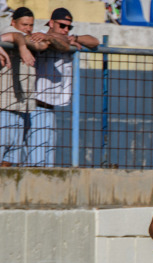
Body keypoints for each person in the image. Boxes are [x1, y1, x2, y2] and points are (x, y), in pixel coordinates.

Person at [28, 8, 99, 168]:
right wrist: (61, 40)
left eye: (69, 27)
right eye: (62, 25)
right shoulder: (40, 36)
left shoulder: (67, 38)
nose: (65, 29)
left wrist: (74, 38)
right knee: (36, 162)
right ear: (51, 23)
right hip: (35, 106)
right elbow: (46, 44)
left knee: (49, 161)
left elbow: (94, 42)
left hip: (51, 107)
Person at [0, 7, 37, 167]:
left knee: (11, 158)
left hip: (21, 108)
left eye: (31, 25)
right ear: (13, 22)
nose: (28, 29)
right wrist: (22, 47)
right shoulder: (9, 33)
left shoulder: (29, 38)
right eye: (24, 24)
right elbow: (16, 35)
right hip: (5, 108)